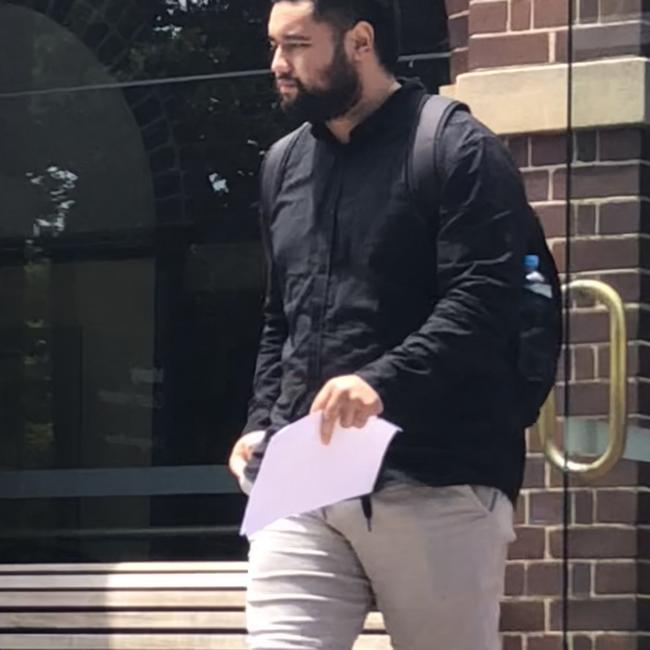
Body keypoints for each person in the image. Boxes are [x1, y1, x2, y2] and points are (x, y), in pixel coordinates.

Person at [229, 1, 531, 648]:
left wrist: (381, 383)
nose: (278, 65)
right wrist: (261, 422)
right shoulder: (282, 165)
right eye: (274, 45)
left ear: (359, 41)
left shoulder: (455, 147)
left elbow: (486, 300)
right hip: (304, 475)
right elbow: (282, 315)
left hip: (434, 474)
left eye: (297, 45)